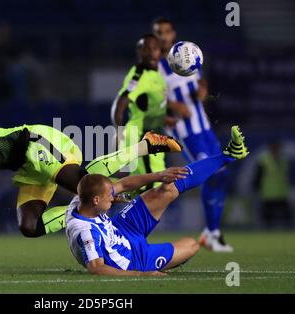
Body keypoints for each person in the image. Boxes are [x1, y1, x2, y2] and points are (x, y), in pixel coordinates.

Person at [0, 124, 182, 237]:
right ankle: (88, 209)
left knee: (89, 187)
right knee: (29, 226)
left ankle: (145, 145)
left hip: (36, 145)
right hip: (26, 169)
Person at [66, 126, 249, 275]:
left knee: (169, 185)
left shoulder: (82, 200)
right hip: (132, 259)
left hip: (121, 228)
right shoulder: (85, 231)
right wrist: (142, 274)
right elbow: (96, 268)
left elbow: (123, 184)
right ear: (96, 200)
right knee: (191, 244)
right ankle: (154, 264)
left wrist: (159, 175)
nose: (112, 197)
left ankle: (230, 154)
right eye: (109, 196)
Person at [153, 17, 233, 252]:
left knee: (221, 174)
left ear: (173, 33)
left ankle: (212, 232)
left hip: (204, 127)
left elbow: (200, 82)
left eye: (167, 31)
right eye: (159, 32)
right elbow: (154, 98)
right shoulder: (156, 65)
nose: (163, 36)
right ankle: (207, 230)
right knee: (207, 172)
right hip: (183, 131)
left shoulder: (187, 53)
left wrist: (203, 90)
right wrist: (174, 106)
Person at [111, 33, 177, 194]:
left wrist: (163, 118)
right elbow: (119, 104)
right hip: (141, 138)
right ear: (139, 52)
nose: (150, 52)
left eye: (154, 48)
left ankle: (100, 190)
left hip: (155, 138)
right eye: (145, 48)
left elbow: (150, 106)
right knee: (152, 191)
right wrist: (119, 135)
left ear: (160, 52)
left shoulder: (157, 75)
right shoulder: (139, 75)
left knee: (151, 192)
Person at [253, 141, 292, 228]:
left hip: (282, 192)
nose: (276, 150)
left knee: (287, 215)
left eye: (277, 148)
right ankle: (266, 232)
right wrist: (257, 187)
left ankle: (288, 230)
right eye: (274, 148)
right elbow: (258, 176)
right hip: (268, 193)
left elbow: (287, 175)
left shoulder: (283, 159)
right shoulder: (264, 160)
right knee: (267, 216)